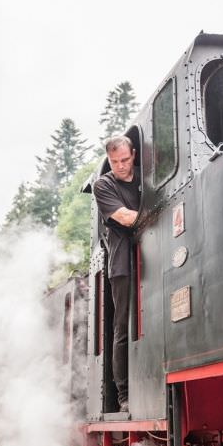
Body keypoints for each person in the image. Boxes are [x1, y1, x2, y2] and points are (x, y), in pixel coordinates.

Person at [93, 135, 140, 413]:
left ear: (133, 154)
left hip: (150, 254)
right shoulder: (104, 185)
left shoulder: (143, 177)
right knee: (122, 326)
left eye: (125, 160)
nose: (121, 166)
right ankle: (124, 395)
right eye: (114, 162)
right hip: (122, 262)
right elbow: (124, 217)